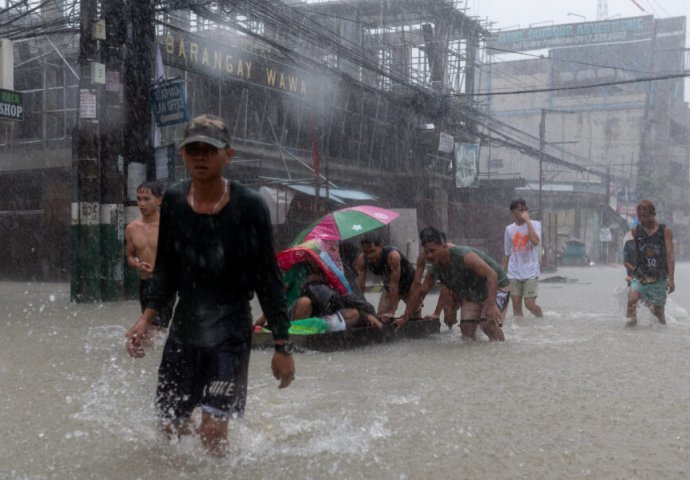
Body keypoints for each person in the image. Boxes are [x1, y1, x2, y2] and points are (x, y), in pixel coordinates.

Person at [125, 114, 295, 456]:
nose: (200, 157)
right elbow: (167, 269)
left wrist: (281, 344)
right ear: (184, 155)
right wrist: (147, 318)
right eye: (193, 150)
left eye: (209, 150)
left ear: (227, 155)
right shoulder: (172, 200)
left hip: (230, 329)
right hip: (185, 326)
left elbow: (268, 277)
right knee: (169, 427)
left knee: (213, 429)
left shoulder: (250, 206)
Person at [394, 226, 509, 341]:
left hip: (498, 287)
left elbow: (492, 276)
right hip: (473, 294)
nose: (429, 255)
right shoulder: (434, 268)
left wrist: (491, 305)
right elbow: (420, 292)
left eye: (432, 251)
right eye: (426, 252)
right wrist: (405, 317)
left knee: (488, 324)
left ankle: (501, 351)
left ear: (444, 247)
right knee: (466, 330)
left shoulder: (464, 256)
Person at [125, 181, 174, 330]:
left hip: (166, 284)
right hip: (145, 284)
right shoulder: (132, 228)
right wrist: (137, 265)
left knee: (155, 330)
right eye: (139, 199)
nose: (141, 204)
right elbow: (129, 257)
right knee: (150, 332)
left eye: (147, 199)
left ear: (159, 200)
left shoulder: (170, 226)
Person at [626, 199, 675, 327]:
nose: (643, 219)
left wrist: (671, 279)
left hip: (658, 279)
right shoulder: (636, 231)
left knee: (658, 316)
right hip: (640, 277)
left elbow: (670, 256)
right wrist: (631, 274)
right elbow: (637, 255)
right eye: (640, 216)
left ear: (653, 214)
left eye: (646, 216)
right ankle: (629, 336)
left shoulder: (665, 231)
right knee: (631, 302)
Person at [502, 198, 543, 318]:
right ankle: (520, 331)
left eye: (525, 209)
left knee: (529, 304)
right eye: (520, 210)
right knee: (516, 305)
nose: (523, 212)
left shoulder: (535, 224)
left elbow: (535, 241)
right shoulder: (509, 229)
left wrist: (528, 222)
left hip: (530, 271)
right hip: (514, 272)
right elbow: (506, 253)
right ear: (513, 212)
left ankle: (541, 319)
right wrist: (502, 274)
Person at [355, 237, 416, 317]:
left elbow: (394, 285)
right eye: (366, 252)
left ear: (381, 247)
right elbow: (360, 285)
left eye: (373, 251)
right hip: (388, 286)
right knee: (382, 317)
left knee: (413, 316)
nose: (369, 255)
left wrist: (392, 311)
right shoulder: (362, 259)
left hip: (409, 285)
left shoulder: (393, 256)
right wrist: (361, 306)